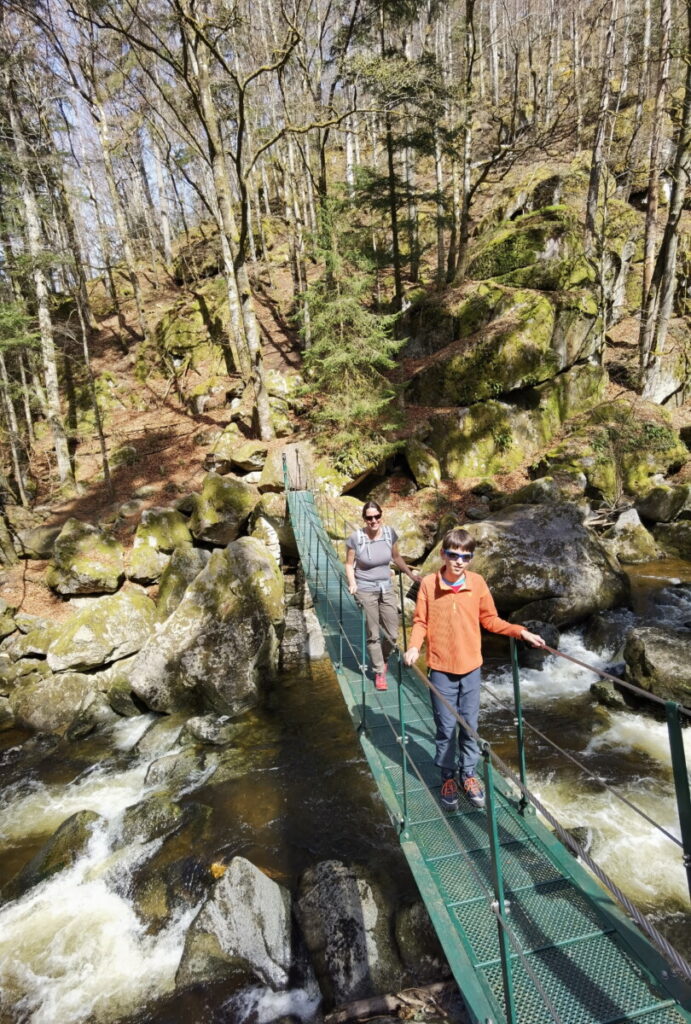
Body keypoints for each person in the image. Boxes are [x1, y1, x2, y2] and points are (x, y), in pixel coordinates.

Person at [403, 527, 545, 811]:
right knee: (445, 729)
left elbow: (490, 620)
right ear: (443, 554)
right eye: (453, 555)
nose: (458, 561)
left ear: (470, 559)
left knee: (469, 728)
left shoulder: (477, 583)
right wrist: (414, 647)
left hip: (471, 669)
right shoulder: (429, 584)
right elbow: (420, 622)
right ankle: (447, 777)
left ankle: (468, 775)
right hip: (441, 669)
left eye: (465, 557)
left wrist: (520, 632)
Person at [345, 500, 422, 691]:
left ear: (381, 516)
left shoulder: (389, 534)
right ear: (364, 519)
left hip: (386, 588)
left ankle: (384, 659)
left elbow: (396, 557)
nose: (373, 520)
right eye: (369, 517)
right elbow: (348, 564)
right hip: (365, 588)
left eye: (376, 516)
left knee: (393, 634)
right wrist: (353, 583)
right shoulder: (356, 538)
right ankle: (379, 671)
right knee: (373, 633)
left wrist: (410, 574)